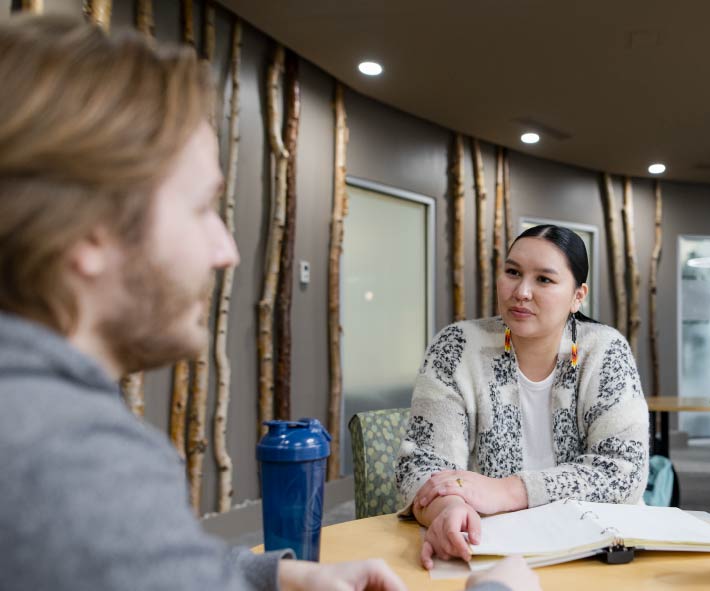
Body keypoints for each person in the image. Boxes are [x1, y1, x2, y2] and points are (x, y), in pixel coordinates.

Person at [0, 15, 536, 591]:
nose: (225, 249)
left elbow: (150, 563)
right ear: (89, 232)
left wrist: (280, 574)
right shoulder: (69, 464)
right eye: (200, 207)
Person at [396, 224, 650, 569]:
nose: (522, 291)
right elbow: (422, 465)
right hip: (489, 546)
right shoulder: (456, 346)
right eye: (512, 272)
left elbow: (625, 471)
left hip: (600, 549)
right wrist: (450, 508)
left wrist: (507, 490)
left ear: (578, 296)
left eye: (544, 279)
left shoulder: (604, 350)